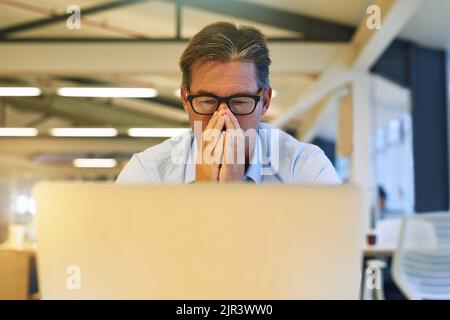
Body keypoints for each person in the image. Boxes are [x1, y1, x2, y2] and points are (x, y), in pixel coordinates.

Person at [116, 22, 340, 184]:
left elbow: (332, 248)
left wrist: (233, 195)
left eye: (240, 102)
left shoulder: (305, 170)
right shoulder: (147, 175)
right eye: (207, 101)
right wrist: (204, 196)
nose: (223, 118)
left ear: (265, 101)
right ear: (186, 99)